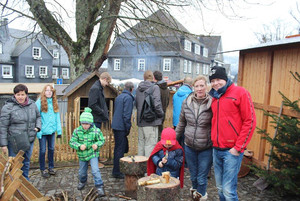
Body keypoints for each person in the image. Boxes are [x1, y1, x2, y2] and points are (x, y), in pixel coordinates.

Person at [208, 66, 256, 201]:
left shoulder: (240, 92)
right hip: (216, 149)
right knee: (220, 188)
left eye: (218, 79)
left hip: (232, 151)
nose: (215, 83)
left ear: (225, 78)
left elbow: (250, 121)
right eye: (212, 80)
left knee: (229, 191)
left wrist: (238, 148)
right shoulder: (215, 97)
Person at [176, 75, 213, 201]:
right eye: (197, 86)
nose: (199, 88)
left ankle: (200, 196)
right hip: (189, 145)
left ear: (206, 86)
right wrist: (174, 139)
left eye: (202, 85)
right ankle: (195, 194)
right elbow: (181, 122)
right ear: (193, 88)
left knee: (202, 177)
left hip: (206, 146)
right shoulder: (187, 102)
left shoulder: (212, 103)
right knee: (193, 176)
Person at [0, 84, 41, 180]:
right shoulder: (8, 107)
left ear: (26, 94)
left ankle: (25, 180)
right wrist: (3, 145)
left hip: (29, 139)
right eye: (18, 95)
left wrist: (38, 127)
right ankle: (14, 182)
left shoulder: (32, 105)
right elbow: (3, 126)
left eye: (22, 94)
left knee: (26, 162)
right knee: (14, 162)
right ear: (14, 95)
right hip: (14, 141)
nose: (20, 97)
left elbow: (38, 117)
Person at [69, 107, 106, 197]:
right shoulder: (77, 131)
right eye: (83, 123)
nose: (85, 126)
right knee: (82, 171)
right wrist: (78, 146)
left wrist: (97, 144)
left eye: (87, 124)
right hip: (82, 155)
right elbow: (72, 142)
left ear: (91, 123)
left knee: (95, 170)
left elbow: (101, 140)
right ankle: (82, 181)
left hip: (93, 153)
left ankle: (99, 185)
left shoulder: (96, 131)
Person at [35, 84, 62, 178]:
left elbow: (57, 117)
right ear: (44, 92)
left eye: (51, 90)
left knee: (51, 149)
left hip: (51, 132)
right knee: (42, 151)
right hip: (42, 132)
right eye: (47, 90)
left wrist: (59, 131)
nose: (49, 92)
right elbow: (36, 117)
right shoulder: (39, 102)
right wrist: (38, 131)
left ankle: (51, 167)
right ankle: (42, 169)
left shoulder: (54, 102)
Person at [135, 70, 164, 157]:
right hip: (151, 121)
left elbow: (136, 104)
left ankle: (140, 166)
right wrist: (161, 114)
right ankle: (148, 169)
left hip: (140, 121)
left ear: (144, 78)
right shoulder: (155, 88)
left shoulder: (138, 89)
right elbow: (157, 104)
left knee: (141, 144)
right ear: (153, 78)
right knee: (150, 145)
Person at [111, 81, 135, 179]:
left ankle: (116, 169)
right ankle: (117, 171)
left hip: (115, 125)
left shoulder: (119, 97)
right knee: (120, 149)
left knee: (118, 148)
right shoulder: (128, 98)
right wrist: (128, 127)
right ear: (132, 89)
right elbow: (126, 115)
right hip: (121, 126)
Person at [153, 71, 170, 140]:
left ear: (154, 78)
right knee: (159, 133)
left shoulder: (156, 88)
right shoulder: (167, 89)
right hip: (163, 112)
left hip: (156, 113)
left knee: (155, 135)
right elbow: (168, 102)